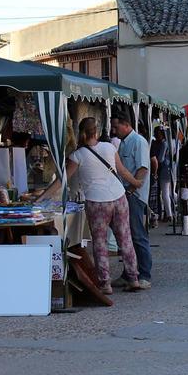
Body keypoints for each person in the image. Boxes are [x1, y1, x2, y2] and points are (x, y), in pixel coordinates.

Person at [65, 117, 142, 294]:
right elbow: (122, 171)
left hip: (97, 202)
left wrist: (43, 196)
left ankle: (105, 283)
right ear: (97, 131)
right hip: (119, 196)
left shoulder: (77, 155)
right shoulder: (109, 147)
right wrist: (136, 183)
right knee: (125, 239)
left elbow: (63, 179)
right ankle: (133, 278)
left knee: (100, 242)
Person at [112, 115, 153, 289]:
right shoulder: (124, 142)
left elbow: (143, 168)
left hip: (135, 196)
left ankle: (144, 274)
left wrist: (132, 189)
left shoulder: (138, 141)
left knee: (137, 235)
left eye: (116, 127)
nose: (114, 131)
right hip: (126, 193)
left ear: (126, 125)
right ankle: (129, 272)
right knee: (126, 236)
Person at [152, 126, 174, 222]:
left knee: (165, 193)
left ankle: (169, 214)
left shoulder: (164, 144)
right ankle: (169, 213)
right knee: (167, 192)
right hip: (169, 169)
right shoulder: (169, 142)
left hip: (164, 169)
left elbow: (160, 159)